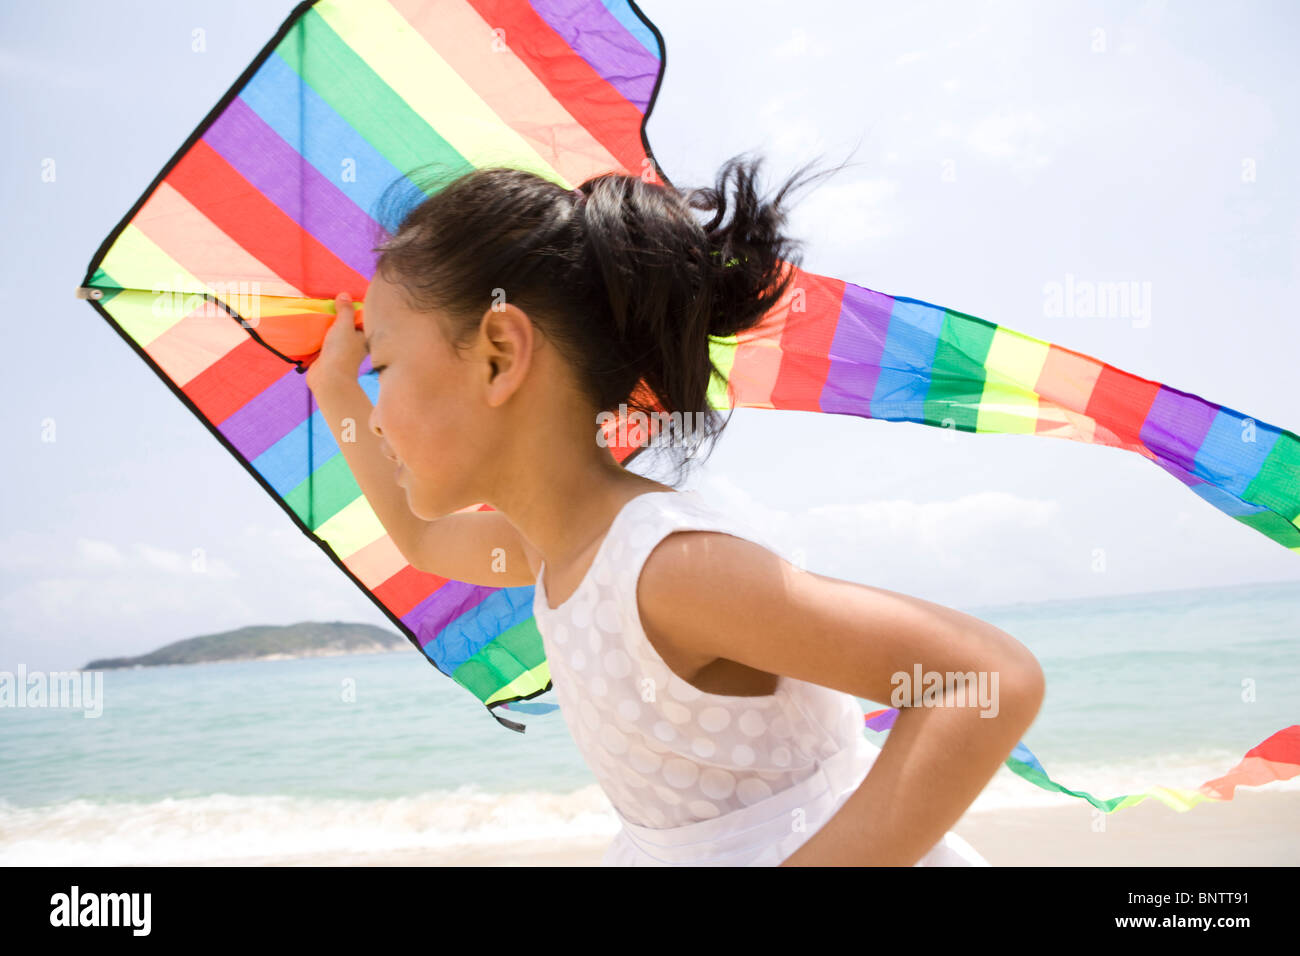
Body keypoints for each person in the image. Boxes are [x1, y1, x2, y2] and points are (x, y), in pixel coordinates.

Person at [305, 154, 1043, 866]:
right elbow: (422, 537)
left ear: (499, 354)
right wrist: (336, 390)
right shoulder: (556, 545)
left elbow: (983, 680)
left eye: (385, 370)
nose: (376, 415)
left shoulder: (665, 567)